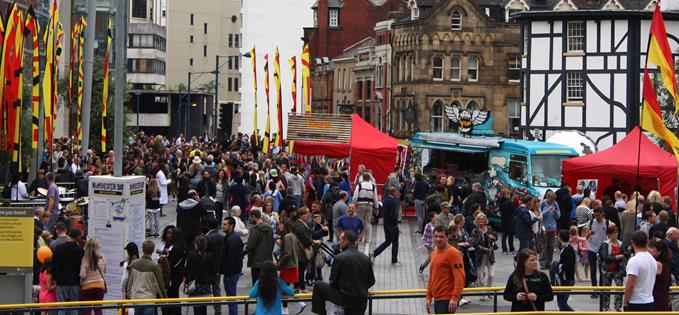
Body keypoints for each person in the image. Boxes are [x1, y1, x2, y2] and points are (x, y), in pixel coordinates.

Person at [311, 231, 375, 315]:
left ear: (346, 241)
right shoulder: (366, 258)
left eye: (340, 239)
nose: (338, 242)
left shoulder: (339, 258)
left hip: (344, 299)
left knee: (318, 285)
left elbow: (332, 282)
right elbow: (371, 281)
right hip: (361, 300)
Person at [426, 226, 466, 314]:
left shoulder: (453, 254)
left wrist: (455, 298)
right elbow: (432, 276)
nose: (438, 239)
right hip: (438, 298)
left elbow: (460, 278)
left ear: (447, 237)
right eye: (436, 236)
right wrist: (428, 297)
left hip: (447, 299)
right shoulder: (434, 253)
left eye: (441, 236)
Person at [125, 240, 167, 315]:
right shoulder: (155, 267)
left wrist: (128, 295)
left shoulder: (134, 264)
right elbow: (160, 285)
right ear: (153, 250)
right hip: (149, 300)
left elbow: (129, 282)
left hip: (136, 299)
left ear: (142, 249)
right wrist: (165, 299)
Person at [52, 228, 84, 315]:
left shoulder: (59, 248)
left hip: (61, 281)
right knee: (73, 308)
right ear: (77, 237)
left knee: (61, 308)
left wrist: (55, 278)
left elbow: (53, 265)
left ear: (69, 235)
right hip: (74, 282)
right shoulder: (80, 250)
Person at [623, 231, 657, 311]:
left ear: (632, 242)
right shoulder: (652, 260)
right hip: (649, 301)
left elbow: (630, 284)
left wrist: (625, 301)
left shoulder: (634, 260)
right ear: (647, 242)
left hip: (636, 302)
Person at [183, 235, 217, 315]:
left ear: (195, 244)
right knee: (203, 308)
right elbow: (213, 271)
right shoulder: (210, 256)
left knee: (196, 308)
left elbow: (187, 270)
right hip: (205, 285)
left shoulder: (191, 254)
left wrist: (185, 282)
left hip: (195, 285)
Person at [599, 226, 628, 311]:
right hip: (607, 269)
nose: (616, 234)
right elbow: (605, 257)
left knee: (619, 288)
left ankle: (618, 306)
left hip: (618, 270)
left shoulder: (620, 243)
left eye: (617, 232)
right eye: (614, 233)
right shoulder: (605, 244)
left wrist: (628, 251)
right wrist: (618, 257)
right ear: (609, 234)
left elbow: (625, 254)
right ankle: (605, 306)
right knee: (606, 289)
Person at [219, 217, 244, 315]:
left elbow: (232, 259)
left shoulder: (231, 240)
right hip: (232, 273)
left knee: (231, 298)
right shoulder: (232, 238)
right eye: (223, 224)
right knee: (231, 298)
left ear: (231, 226)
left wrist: (227, 272)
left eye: (225, 224)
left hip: (231, 274)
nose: (223, 226)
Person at [371, 187, 401, 266]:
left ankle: (374, 253)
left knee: (388, 241)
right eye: (396, 191)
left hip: (386, 224)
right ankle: (394, 260)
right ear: (393, 192)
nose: (397, 193)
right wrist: (396, 223)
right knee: (395, 242)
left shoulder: (386, 199)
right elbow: (393, 214)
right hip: (392, 225)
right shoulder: (392, 201)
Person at [277, 219, 301, 314]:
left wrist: (278, 264)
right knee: (286, 287)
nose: (279, 226)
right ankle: (297, 303)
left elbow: (287, 253)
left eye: (280, 224)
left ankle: (287, 308)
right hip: (293, 265)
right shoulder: (292, 235)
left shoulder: (287, 237)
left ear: (284, 225)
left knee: (283, 287)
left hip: (287, 266)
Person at [243, 209, 274, 284]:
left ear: (254, 216)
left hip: (256, 261)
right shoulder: (269, 228)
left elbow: (250, 246)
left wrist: (242, 254)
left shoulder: (254, 229)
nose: (249, 219)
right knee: (266, 283)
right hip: (268, 260)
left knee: (256, 283)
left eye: (250, 217)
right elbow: (272, 243)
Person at [471, 213, 496, 299]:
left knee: (491, 275)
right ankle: (482, 293)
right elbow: (473, 243)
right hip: (480, 255)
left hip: (490, 254)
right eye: (479, 219)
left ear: (485, 220)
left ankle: (488, 291)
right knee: (480, 274)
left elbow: (495, 238)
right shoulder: (475, 231)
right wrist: (481, 247)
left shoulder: (490, 228)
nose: (481, 220)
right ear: (476, 221)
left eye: (482, 219)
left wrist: (492, 238)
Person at [587, 207, 612, 291]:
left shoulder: (608, 223)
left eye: (598, 215)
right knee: (593, 270)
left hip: (602, 249)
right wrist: (589, 234)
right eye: (595, 215)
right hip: (591, 249)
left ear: (602, 214)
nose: (597, 217)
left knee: (602, 270)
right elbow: (585, 236)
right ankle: (594, 289)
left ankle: (601, 288)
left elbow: (613, 233)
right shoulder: (590, 223)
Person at [79, 238, 107, 315]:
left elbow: (82, 274)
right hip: (100, 286)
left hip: (87, 287)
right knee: (98, 309)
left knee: (86, 310)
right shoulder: (102, 258)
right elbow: (104, 271)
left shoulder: (85, 259)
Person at [205, 220, 226, 315]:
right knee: (216, 288)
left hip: (208, 266)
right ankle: (218, 310)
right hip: (218, 265)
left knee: (206, 287)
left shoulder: (207, 237)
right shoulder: (223, 237)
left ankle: (204, 306)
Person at [292, 207, 315, 294]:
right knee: (301, 269)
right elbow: (306, 238)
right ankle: (301, 286)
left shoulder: (300, 224)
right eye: (305, 213)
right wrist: (312, 241)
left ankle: (298, 286)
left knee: (300, 269)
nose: (307, 215)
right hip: (301, 250)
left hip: (300, 249)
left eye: (308, 213)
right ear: (300, 215)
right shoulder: (300, 226)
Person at [165, 228, 187, 315]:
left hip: (173, 274)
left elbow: (171, 263)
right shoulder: (184, 247)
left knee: (172, 296)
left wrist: (166, 257)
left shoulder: (175, 249)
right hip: (180, 272)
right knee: (175, 295)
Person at [353, 173, 378, 240]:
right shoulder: (373, 186)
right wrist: (376, 207)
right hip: (370, 205)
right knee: (367, 222)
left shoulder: (360, 185)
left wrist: (354, 204)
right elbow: (375, 198)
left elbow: (355, 196)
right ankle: (367, 239)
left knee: (359, 221)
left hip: (361, 205)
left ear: (363, 178)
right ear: (369, 178)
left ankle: (359, 237)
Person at [648, 237, 671, 311]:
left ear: (659, 250)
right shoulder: (664, 263)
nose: (648, 250)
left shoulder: (657, 264)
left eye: (652, 247)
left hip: (657, 300)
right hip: (661, 298)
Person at [555, 230, 576, 311]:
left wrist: (558, 266)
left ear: (559, 238)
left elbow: (569, 265)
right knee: (561, 303)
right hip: (566, 279)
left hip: (566, 279)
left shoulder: (567, 249)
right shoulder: (566, 248)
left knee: (562, 304)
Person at [539, 191, 560, 269]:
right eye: (551, 199)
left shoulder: (555, 204)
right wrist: (548, 210)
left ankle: (549, 262)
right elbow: (540, 215)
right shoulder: (543, 203)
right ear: (547, 197)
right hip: (544, 228)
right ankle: (542, 263)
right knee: (544, 246)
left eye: (553, 199)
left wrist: (555, 212)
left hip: (553, 228)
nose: (552, 201)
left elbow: (558, 216)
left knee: (551, 246)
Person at [498, 188, 516, 254]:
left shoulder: (500, 201)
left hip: (504, 219)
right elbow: (514, 210)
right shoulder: (509, 202)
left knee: (504, 235)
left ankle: (504, 249)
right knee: (510, 235)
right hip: (510, 219)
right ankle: (511, 248)